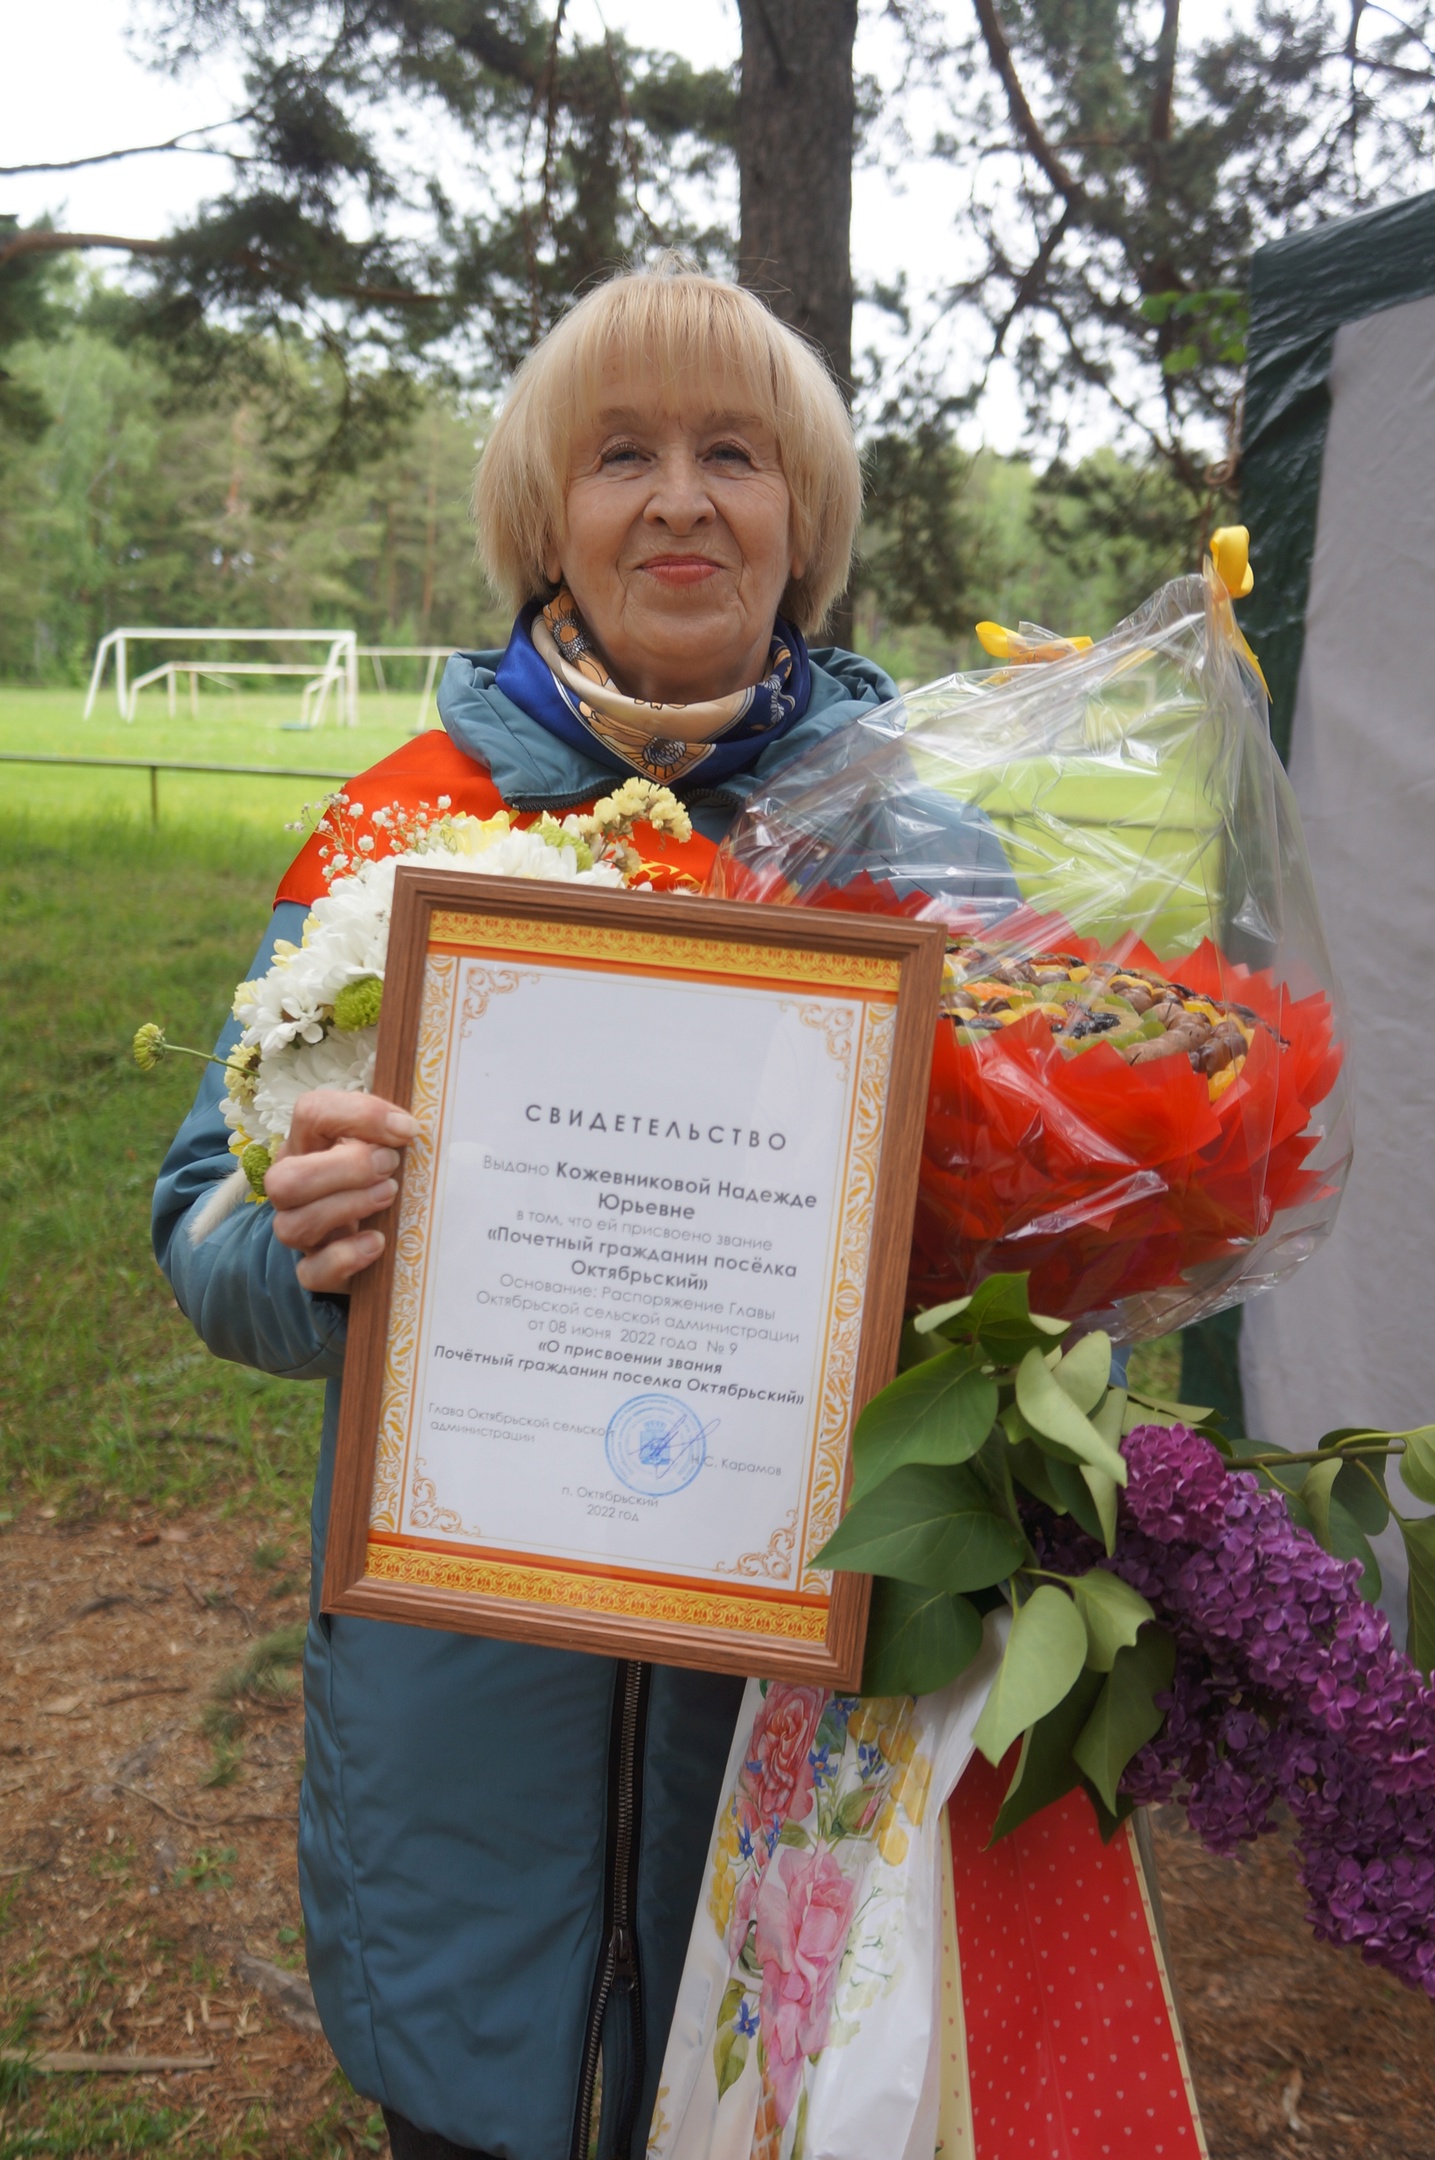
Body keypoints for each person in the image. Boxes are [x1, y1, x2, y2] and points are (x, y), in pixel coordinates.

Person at [152, 264, 913, 2160]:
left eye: (732, 453)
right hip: (463, 1758)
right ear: (543, 517)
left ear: (801, 512)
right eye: (621, 455)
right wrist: (308, 1246)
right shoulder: (398, 826)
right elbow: (202, 1219)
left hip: (802, 1742)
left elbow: (1065, 1245)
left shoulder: (925, 839)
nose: (678, 500)